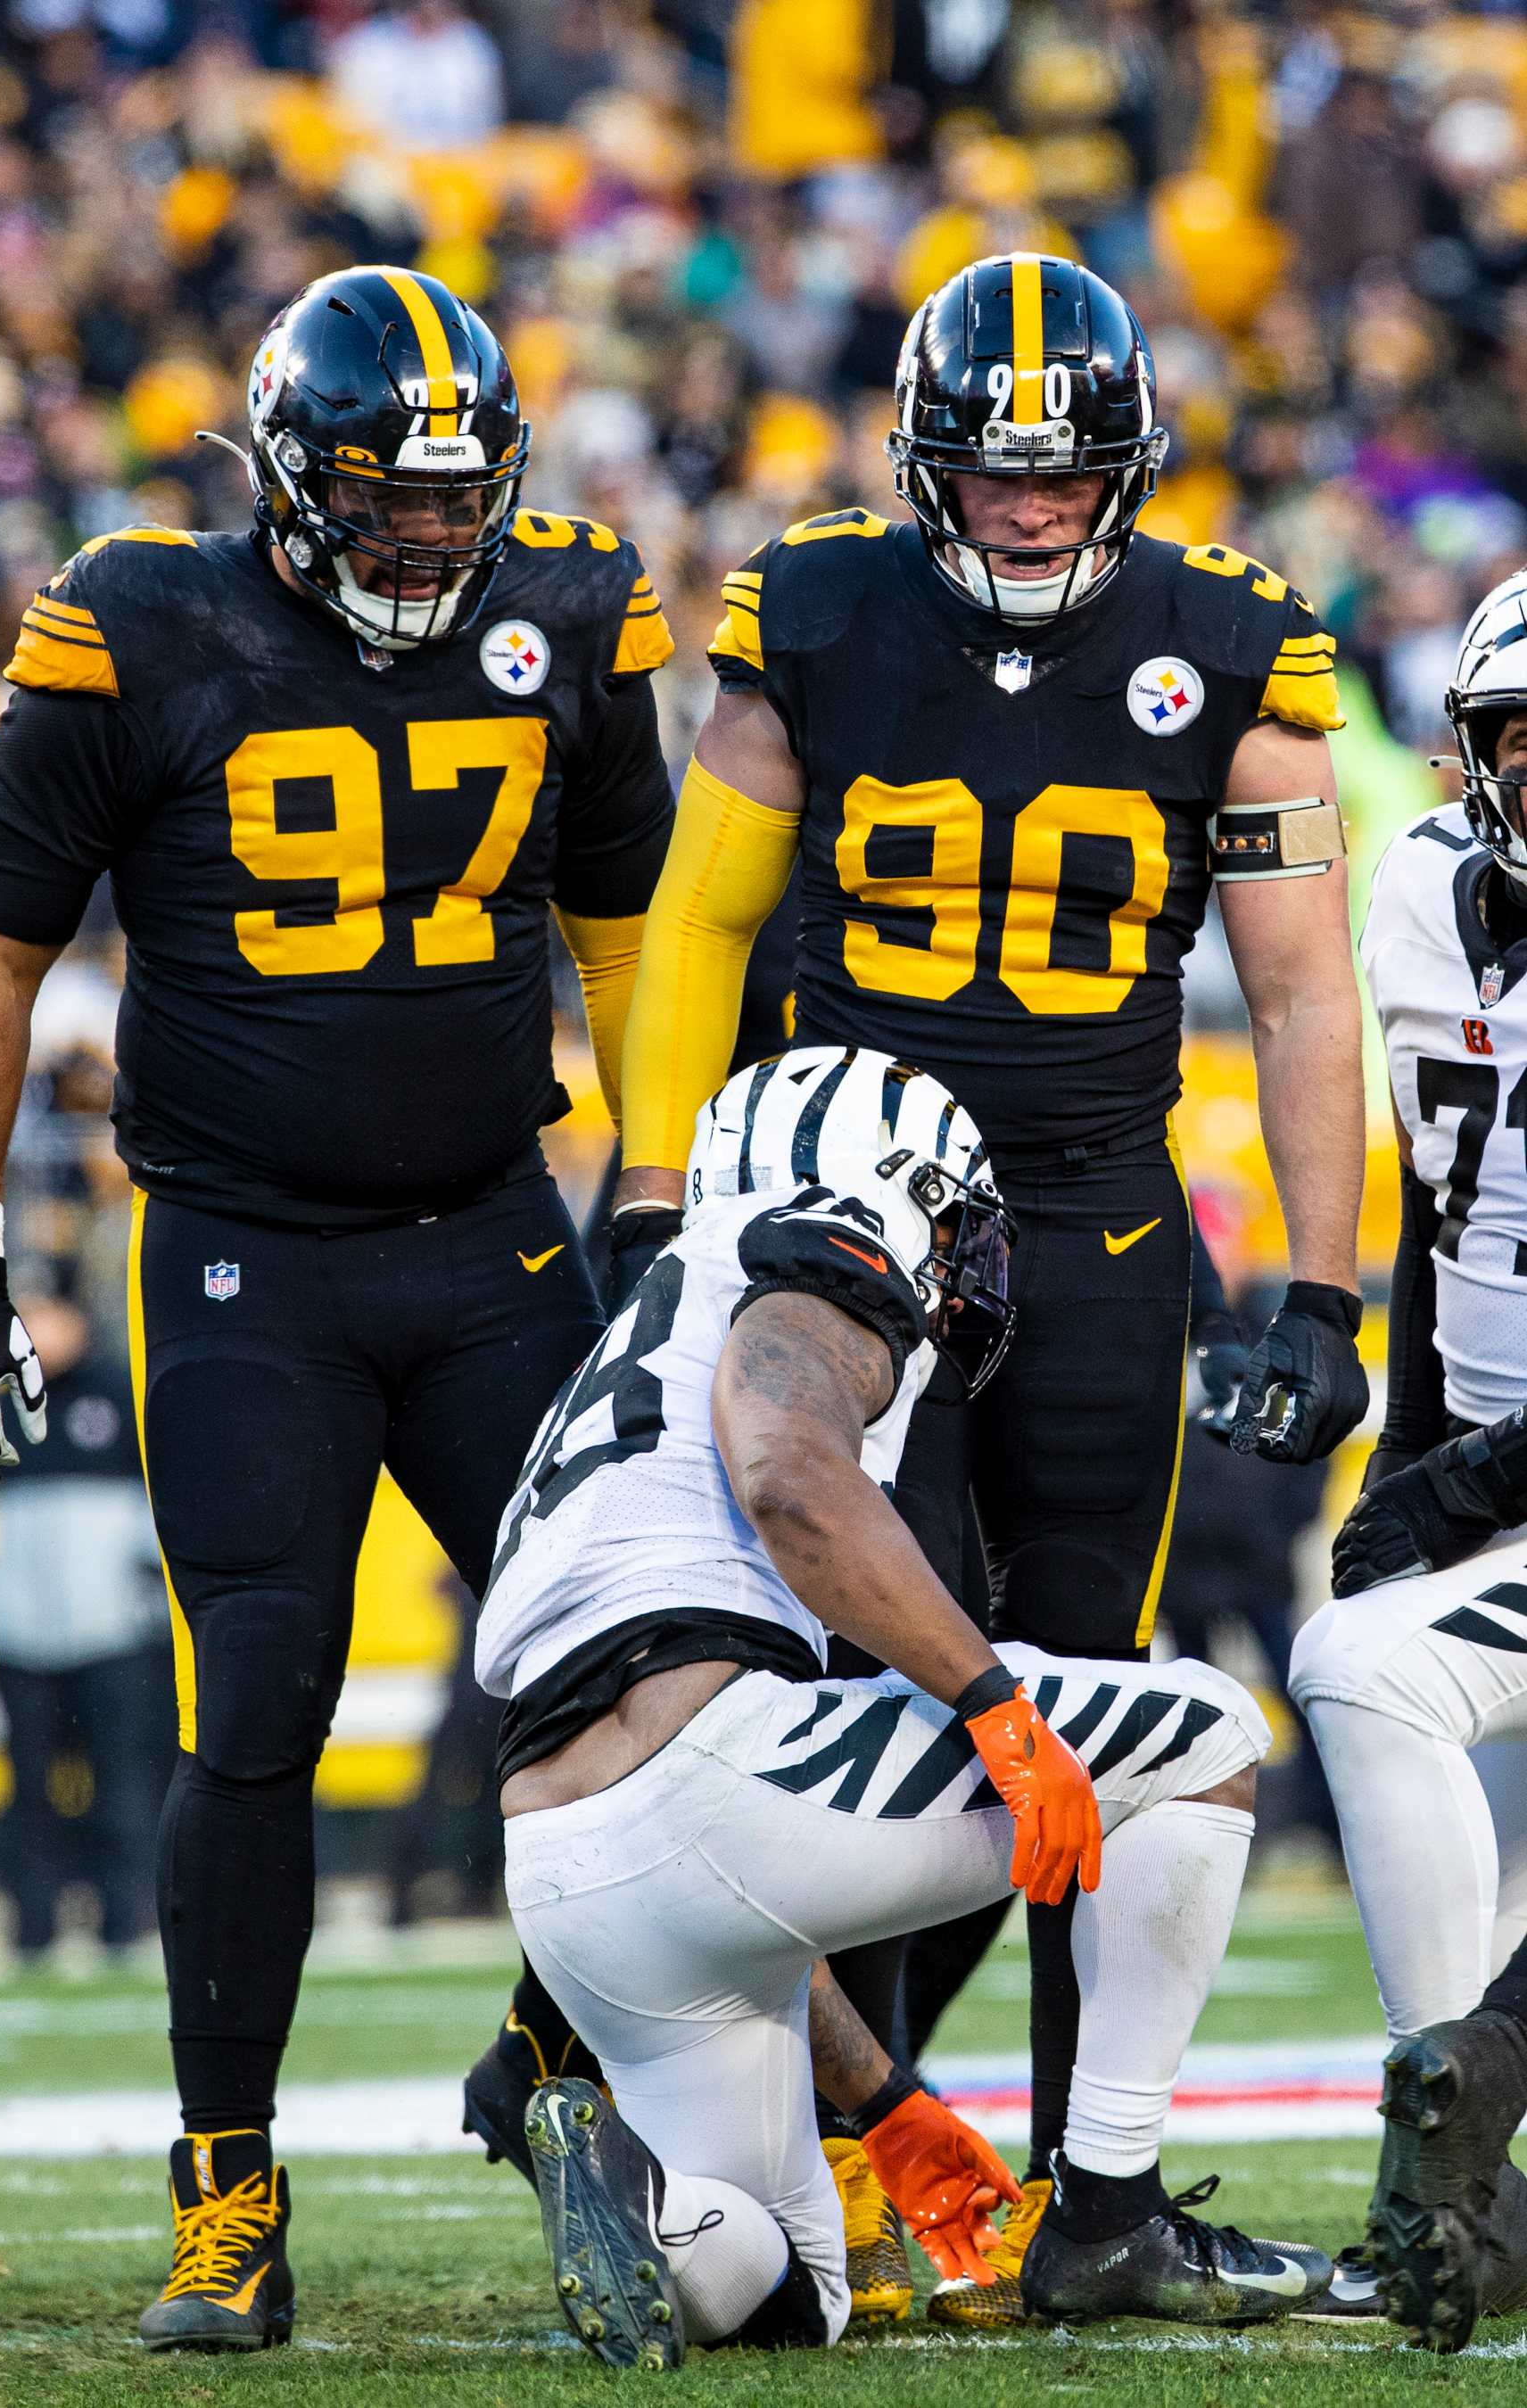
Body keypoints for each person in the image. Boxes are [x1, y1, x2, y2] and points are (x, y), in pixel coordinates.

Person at [598, 251, 1369, 2320]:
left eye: (1067, 473)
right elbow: (696, 918)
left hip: (1108, 1226)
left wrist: (1321, 1283)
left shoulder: (1233, 645)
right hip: (855, 1217)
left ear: (1126, 463)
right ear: (930, 456)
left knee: (1088, 1700)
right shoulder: (825, 608)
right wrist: (653, 1184)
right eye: (997, 470)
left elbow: (1305, 1006)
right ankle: (866, 2151)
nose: (1032, 508)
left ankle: (1078, 2190)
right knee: (887, 1691)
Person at [0, 264, 675, 2352]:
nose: (435, 540)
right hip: (244, 1247)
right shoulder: (142, 619)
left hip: (495, 1234)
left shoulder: (571, 608)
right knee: (257, 1694)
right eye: (387, 500)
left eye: (463, 503)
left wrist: (671, 1180)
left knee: (630, 1678)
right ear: (283, 478)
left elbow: (623, 923)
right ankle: (226, 2191)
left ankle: (560, 2065)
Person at [477, 1043, 1332, 2364]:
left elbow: (723, 1870)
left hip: (573, 1870)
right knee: (1207, 1732)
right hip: (706, 1771)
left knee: (795, 2293)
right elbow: (790, 1476)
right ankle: (1109, 2210)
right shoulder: (824, 1234)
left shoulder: (645, 1321)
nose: (959, 1249)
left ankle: (647, 2196)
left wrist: (882, 2104)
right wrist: (992, 1704)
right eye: (949, 1211)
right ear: (887, 1183)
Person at [1291, 566, 1527, 2349]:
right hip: (1502, 1474)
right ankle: (1456, 2179)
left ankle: (1487, 2086)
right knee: (1362, 1662)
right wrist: (1417, 1452)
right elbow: (1451, 1221)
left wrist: (1475, 1483)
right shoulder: (1421, 895)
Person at [0, 1275, 175, 1963]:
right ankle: (33, 1929)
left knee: (123, 1784)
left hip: (114, 1635)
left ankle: (126, 1922)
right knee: (28, 1790)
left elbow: (158, 1501)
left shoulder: (118, 1391)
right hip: (20, 1635)